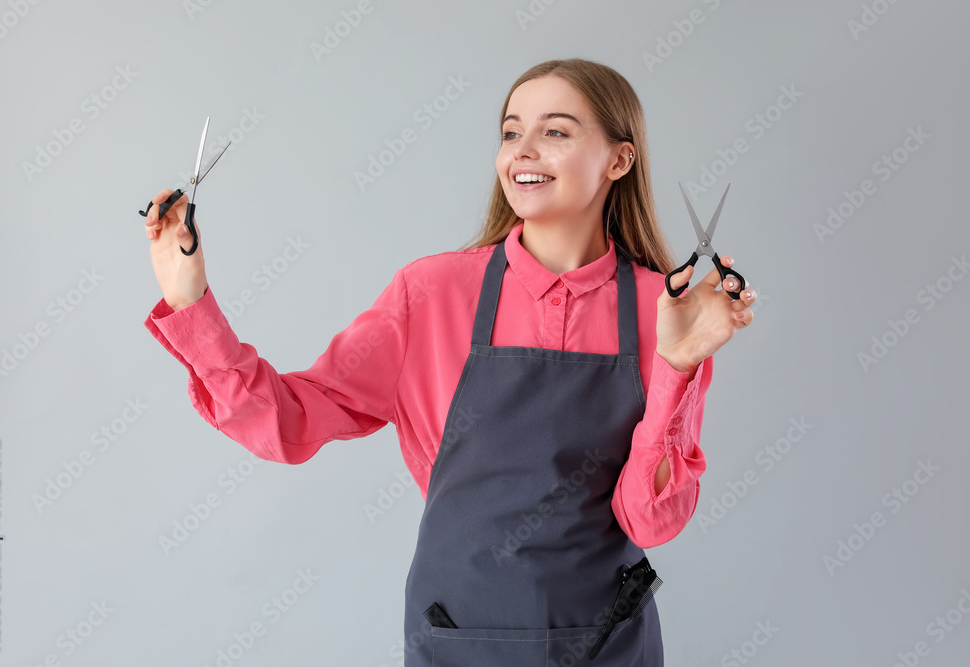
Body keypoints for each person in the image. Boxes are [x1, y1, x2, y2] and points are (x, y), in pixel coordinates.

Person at [142, 58, 755, 666]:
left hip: (604, 643)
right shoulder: (428, 294)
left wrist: (677, 365)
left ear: (619, 160)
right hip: (459, 634)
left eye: (556, 132)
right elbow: (287, 423)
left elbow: (649, 521)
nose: (524, 151)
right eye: (512, 132)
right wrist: (189, 303)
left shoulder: (666, 310)